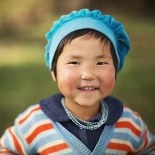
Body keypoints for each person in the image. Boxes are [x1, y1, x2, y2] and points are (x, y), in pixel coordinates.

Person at [0, 9, 155, 155]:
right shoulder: (34, 122)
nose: (88, 74)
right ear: (54, 72)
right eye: (74, 62)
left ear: (116, 69)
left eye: (101, 63)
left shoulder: (129, 123)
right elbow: (6, 149)